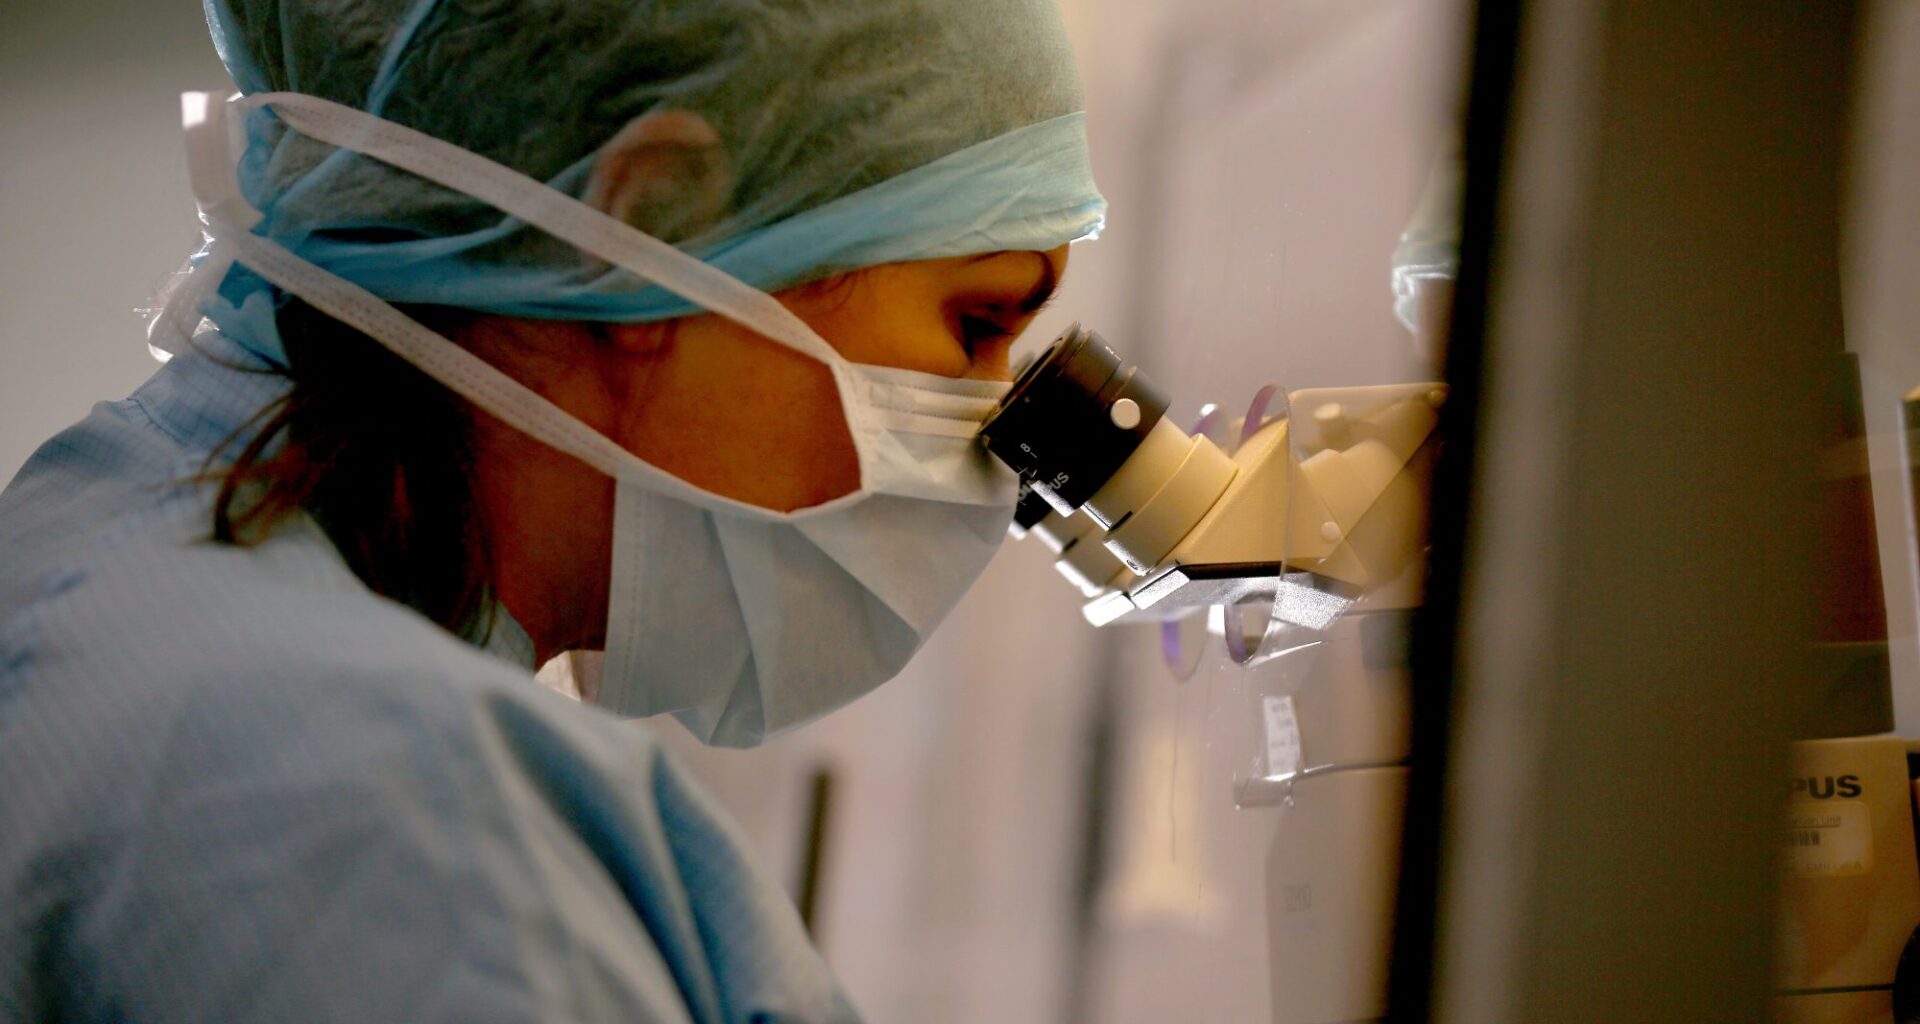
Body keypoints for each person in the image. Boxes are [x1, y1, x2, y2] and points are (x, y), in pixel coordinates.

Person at [0, 0, 1104, 1019]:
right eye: (976, 324)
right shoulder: (374, 812)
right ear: (657, 223)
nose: (989, 432)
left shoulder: (123, 535)